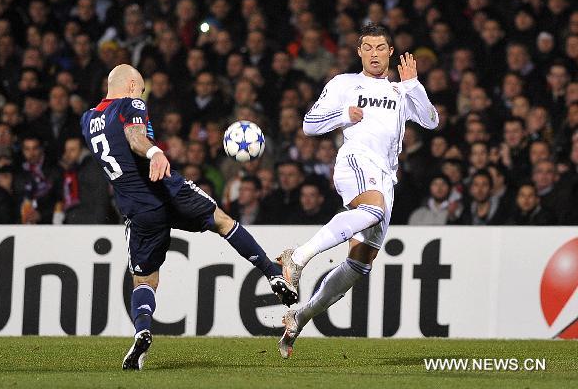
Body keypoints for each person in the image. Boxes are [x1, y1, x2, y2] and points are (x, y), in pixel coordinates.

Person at [80, 64, 297, 370]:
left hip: (137, 207)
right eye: (140, 90)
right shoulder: (132, 105)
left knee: (145, 278)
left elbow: (123, 145)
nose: (142, 97)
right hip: (167, 188)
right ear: (131, 87)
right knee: (222, 221)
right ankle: (272, 274)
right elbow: (134, 137)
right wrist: (154, 152)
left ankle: (143, 330)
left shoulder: (88, 119)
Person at [276, 24, 438, 358]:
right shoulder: (344, 84)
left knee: (360, 263)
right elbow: (309, 125)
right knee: (373, 209)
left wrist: (413, 85)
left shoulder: (400, 91)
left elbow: (431, 120)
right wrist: (342, 115)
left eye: (381, 48)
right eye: (368, 47)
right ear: (359, 51)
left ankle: (299, 316)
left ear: (390, 52)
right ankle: (299, 257)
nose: (375, 53)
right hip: (354, 160)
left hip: (386, 176)